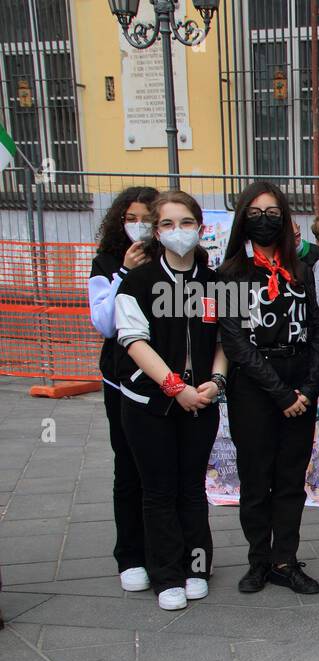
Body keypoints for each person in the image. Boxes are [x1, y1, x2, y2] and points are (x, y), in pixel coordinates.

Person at [113, 190, 227, 611]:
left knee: (193, 488)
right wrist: (175, 388)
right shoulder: (137, 282)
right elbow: (133, 340)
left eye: (185, 223)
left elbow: (223, 341)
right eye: (167, 224)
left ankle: (196, 564)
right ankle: (166, 575)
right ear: (155, 231)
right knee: (158, 490)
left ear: (199, 228)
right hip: (149, 403)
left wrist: (216, 381)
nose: (177, 232)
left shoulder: (214, 283)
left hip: (202, 401)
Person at [218, 181, 319, 596]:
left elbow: (316, 330)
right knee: (255, 477)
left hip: (299, 380)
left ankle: (286, 559)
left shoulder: (303, 270)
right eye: (256, 213)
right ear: (243, 219)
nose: (265, 220)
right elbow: (234, 340)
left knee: (289, 480)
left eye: (273, 213)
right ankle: (258, 560)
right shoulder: (228, 273)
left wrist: (310, 387)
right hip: (255, 389)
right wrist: (280, 394)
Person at [88, 184, 158, 594]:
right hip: (121, 378)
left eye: (147, 219)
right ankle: (130, 555)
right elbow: (104, 323)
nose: (139, 226)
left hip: (166, 379)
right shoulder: (107, 261)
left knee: (165, 470)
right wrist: (125, 274)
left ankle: (167, 550)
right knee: (128, 466)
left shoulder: (173, 258)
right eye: (130, 218)